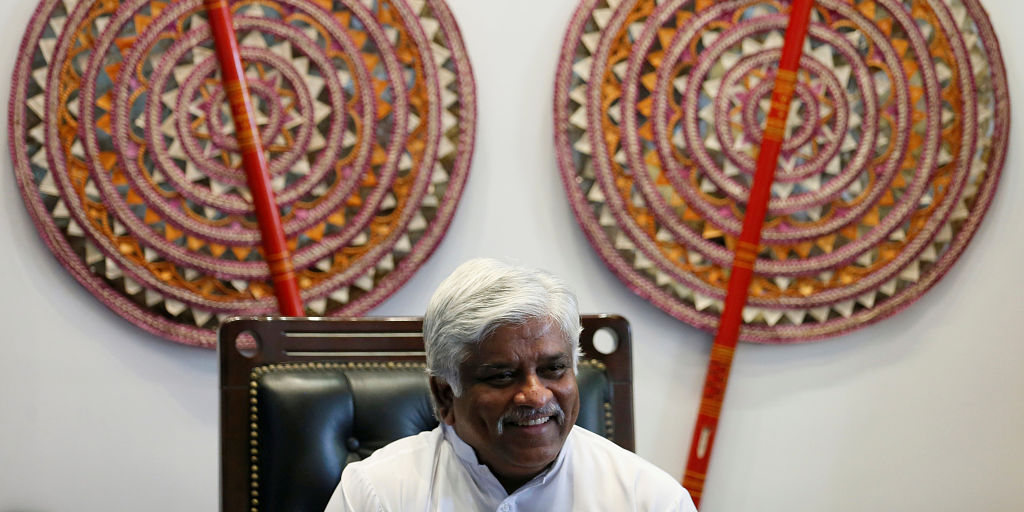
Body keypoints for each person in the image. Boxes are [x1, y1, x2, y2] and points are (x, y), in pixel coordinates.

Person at [324, 258, 697, 511]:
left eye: (554, 370)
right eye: (503, 375)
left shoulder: (648, 499)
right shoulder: (376, 495)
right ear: (444, 397)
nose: (535, 395)